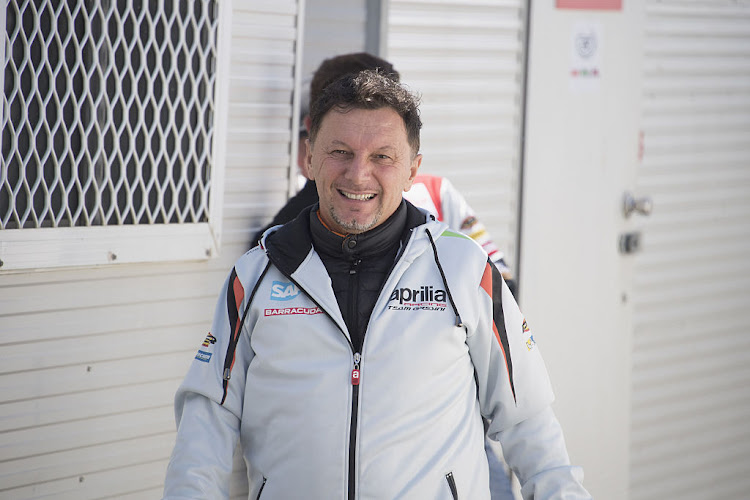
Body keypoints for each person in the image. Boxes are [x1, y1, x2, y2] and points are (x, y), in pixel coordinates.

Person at [163, 69, 590, 499]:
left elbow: (528, 420)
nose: (358, 174)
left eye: (382, 157)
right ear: (310, 157)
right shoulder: (255, 276)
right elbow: (207, 422)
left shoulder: (464, 268)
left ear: (412, 170)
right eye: (340, 151)